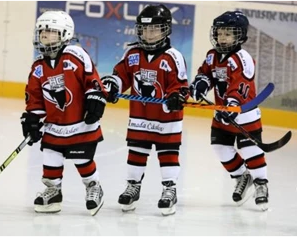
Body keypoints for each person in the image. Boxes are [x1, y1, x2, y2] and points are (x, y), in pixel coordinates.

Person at [101, 4, 189, 216]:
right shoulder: (132, 53)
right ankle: (133, 186)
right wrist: (113, 86)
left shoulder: (173, 56)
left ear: (165, 29)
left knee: (167, 153)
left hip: (166, 118)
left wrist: (177, 96)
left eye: (154, 29)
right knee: (137, 151)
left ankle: (169, 189)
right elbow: (121, 75)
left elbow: (180, 85)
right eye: (145, 29)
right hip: (140, 116)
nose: (148, 34)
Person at [20, 10, 107, 216]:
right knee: (50, 157)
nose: (44, 35)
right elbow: (35, 96)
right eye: (41, 31)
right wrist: (32, 118)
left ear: (65, 34)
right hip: (54, 126)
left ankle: (93, 186)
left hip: (80, 123)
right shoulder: (38, 67)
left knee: (82, 159)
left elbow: (91, 79)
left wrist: (96, 96)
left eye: (50, 31)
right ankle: (54, 191)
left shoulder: (75, 55)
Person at [189, 11, 269, 211]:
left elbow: (241, 85)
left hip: (244, 114)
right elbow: (206, 73)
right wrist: (200, 84)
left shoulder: (243, 59)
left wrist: (232, 105)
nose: (222, 37)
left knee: (250, 150)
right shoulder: (212, 56)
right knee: (220, 148)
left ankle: (261, 184)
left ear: (240, 35)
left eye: (228, 33)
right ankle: (242, 176)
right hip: (221, 113)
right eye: (219, 32)